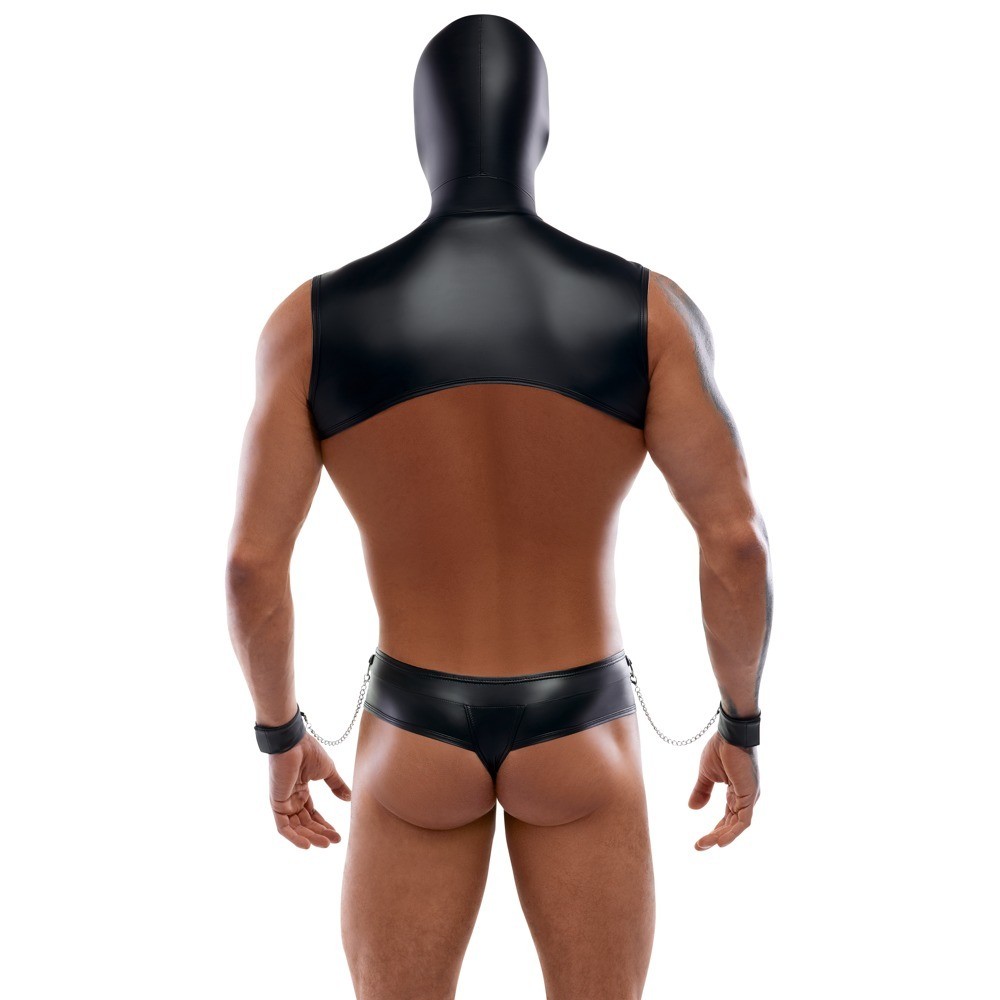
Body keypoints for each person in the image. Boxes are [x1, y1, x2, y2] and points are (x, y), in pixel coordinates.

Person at [226, 13, 771, 999]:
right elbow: (736, 545)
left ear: (422, 137)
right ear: (540, 132)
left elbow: (249, 568)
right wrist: (740, 723)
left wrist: (279, 735)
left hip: (414, 727)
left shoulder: (311, 323)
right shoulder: (648, 310)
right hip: (580, 724)